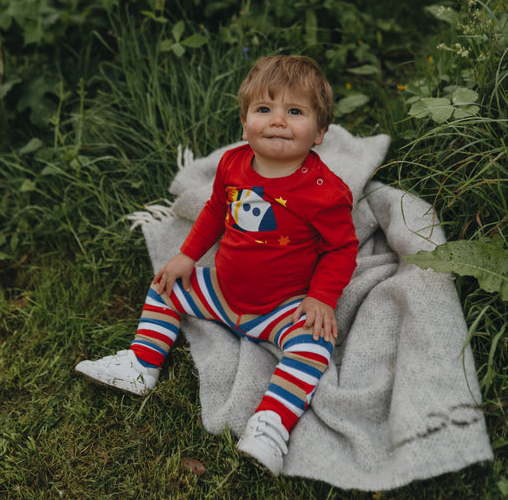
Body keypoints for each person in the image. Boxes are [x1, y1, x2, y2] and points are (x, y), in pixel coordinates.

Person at [75, 55, 358, 475]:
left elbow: (342, 249)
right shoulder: (232, 165)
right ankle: (141, 364)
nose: (278, 121)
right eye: (264, 109)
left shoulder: (324, 192)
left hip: (280, 307)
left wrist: (320, 298)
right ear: (244, 123)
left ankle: (270, 423)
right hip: (223, 293)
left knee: (316, 343)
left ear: (319, 133)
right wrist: (187, 255)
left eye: (294, 112)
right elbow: (213, 212)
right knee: (167, 284)